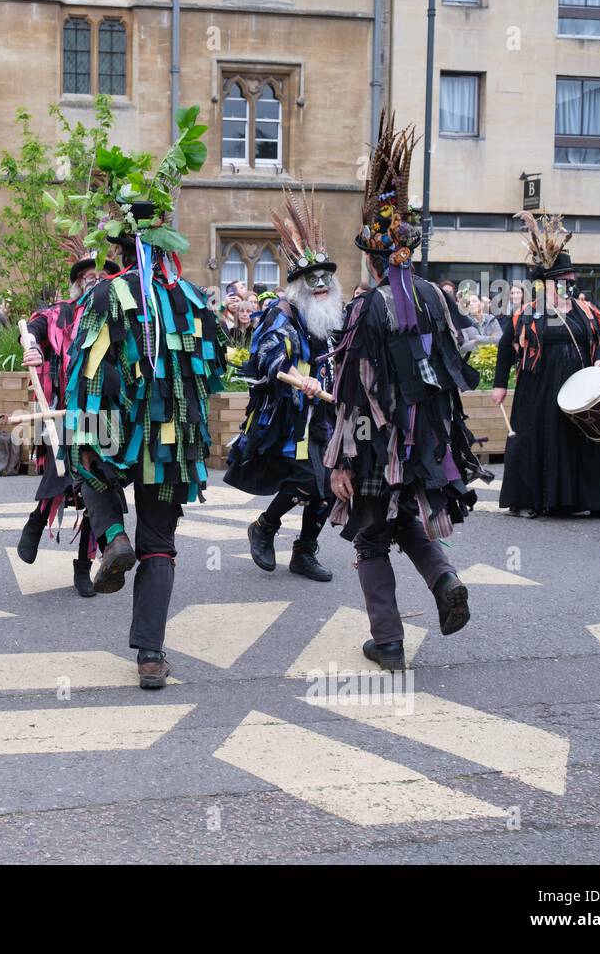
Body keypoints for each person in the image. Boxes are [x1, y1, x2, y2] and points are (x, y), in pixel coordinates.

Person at [324, 112, 485, 672]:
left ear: (370, 256)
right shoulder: (435, 298)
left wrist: (342, 458)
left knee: (370, 537)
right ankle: (444, 581)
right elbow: (453, 370)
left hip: (375, 443)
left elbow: (350, 392)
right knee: (407, 520)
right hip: (425, 443)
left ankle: (388, 642)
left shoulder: (366, 307)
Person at [65, 167, 227, 688]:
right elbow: (217, 368)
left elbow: (82, 369)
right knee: (159, 540)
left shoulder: (105, 294)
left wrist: (87, 428)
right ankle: (151, 658)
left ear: (124, 240)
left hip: (115, 426)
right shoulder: (196, 300)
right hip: (172, 437)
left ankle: (112, 535)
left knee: (83, 463)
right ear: (165, 241)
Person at [227, 187, 345, 583]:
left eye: (326, 277)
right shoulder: (282, 313)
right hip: (288, 417)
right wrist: (298, 378)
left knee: (331, 485)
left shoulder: (330, 317)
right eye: (313, 279)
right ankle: (265, 526)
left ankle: (303, 552)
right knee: (307, 480)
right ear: (297, 284)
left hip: (326, 415)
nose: (322, 284)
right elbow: (269, 355)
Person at [493, 213, 600, 520]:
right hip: (538, 388)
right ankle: (527, 500)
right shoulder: (528, 312)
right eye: (561, 280)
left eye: (569, 280)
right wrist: (499, 385)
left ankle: (598, 501)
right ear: (545, 283)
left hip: (578, 386)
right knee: (533, 439)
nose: (567, 284)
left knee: (586, 440)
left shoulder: (585, 311)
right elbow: (504, 348)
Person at [19, 248, 119, 597]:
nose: (95, 281)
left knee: (100, 486)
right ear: (78, 283)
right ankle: (36, 520)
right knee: (64, 471)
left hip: (106, 415)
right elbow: (32, 328)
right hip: (65, 411)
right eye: (88, 276)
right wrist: (31, 346)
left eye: (103, 276)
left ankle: (83, 565)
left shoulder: (118, 319)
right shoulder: (60, 313)